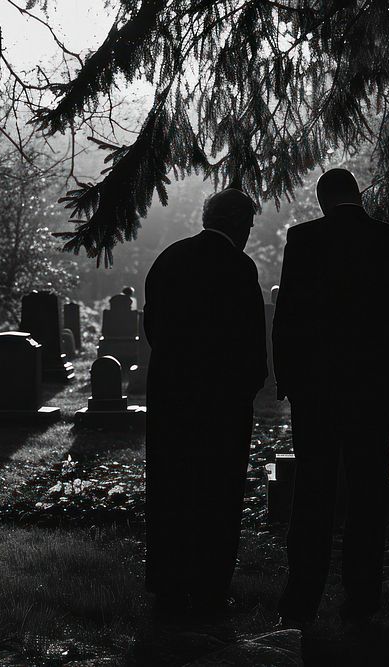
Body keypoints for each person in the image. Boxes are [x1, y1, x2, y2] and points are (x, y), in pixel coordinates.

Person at [272, 168, 389, 627]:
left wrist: (289, 383)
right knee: (367, 494)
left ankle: (301, 601)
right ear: (357, 196)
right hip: (371, 390)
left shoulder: (304, 238)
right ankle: (362, 598)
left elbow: (288, 318)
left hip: (316, 390)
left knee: (312, 493)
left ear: (322, 201)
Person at [143, 188, 268, 613]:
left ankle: (168, 583)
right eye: (249, 225)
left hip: (173, 395)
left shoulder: (170, 258)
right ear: (238, 224)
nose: (249, 234)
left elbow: (154, 328)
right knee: (218, 491)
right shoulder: (239, 267)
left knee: (170, 487)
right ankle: (212, 585)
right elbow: (252, 341)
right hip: (223, 403)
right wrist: (246, 388)